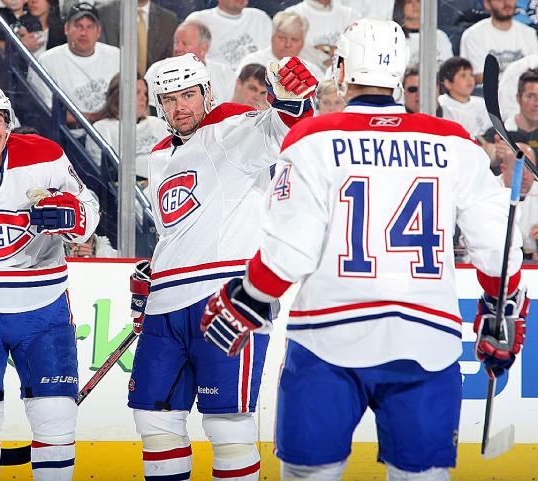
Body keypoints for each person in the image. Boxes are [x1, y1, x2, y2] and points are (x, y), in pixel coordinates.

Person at [200, 19, 528, 481]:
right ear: (401, 71)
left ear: (339, 68)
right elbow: (497, 249)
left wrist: (249, 296)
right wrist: (501, 309)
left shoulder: (314, 138)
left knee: (308, 475)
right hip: (427, 341)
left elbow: (290, 249)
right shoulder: (453, 142)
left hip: (326, 338)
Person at [127, 52, 317, 481]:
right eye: (170, 99)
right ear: (159, 105)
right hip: (166, 307)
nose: (181, 107)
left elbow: (281, 129)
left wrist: (289, 101)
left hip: (226, 300)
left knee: (227, 426)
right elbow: (176, 232)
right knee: (154, 424)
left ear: (207, 94)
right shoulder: (157, 158)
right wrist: (153, 276)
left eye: (189, 95)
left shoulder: (231, 128)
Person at [0, 81, 99, 480]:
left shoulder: (45, 155)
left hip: (44, 310)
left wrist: (74, 217)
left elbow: (90, 209)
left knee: (56, 418)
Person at [30, 2, 120, 129]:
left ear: (98, 31)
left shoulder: (115, 55)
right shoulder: (47, 61)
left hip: (114, 130)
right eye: (78, 26)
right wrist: (95, 118)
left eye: (90, 27)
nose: (84, 32)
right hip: (71, 136)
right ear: (66, 28)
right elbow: (45, 109)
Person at [85, 73, 169, 180]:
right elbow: (106, 176)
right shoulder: (102, 129)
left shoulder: (158, 124)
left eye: (145, 93)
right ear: (118, 96)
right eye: (137, 92)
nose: (143, 97)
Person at [144, 20, 235, 108]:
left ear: (203, 48)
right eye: (176, 42)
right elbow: (151, 111)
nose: (177, 48)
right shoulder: (156, 71)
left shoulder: (224, 73)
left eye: (185, 44)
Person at [460, 0, 538, 84]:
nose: (506, 3)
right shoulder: (473, 36)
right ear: (487, 4)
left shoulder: (529, 34)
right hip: (485, 95)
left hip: (525, 94)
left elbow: (534, 71)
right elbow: (478, 77)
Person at [185, 0, 273, 71]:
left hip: (262, 83)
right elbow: (188, 60)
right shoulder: (198, 20)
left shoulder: (260, 18)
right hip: (218, 85)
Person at [235, 11, 322, 81]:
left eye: (294, 39)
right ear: (272, 37)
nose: (288, 44)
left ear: (303, 42)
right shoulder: (253, 62)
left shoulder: (312, 71)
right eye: (282, 38)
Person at [97, 0, 179, 72]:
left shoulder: (169, 20)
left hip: (155, 86)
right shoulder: (103, 14)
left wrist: (146, 83)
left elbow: (168, 62)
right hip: (115, 85)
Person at [284, 0, 361, 69]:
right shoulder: (292, 14)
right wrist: (325, 58)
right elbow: (290, 51)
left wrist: (327, 49)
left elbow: (361, 50)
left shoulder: (351, 14)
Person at [437, 57, 491, 142]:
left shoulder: (482, 104)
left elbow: (489, 131)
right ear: (448, 83)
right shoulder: (441, 104)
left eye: (471, 75)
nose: (469, 79)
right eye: (463, 76)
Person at [394, 0, 453, 65]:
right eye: (409, 2)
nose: (415, 5)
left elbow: (449, 67)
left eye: (418, 1)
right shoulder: (396, 37)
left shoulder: (440, 36)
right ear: (400, 6)